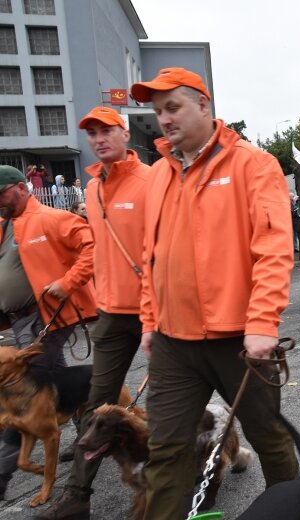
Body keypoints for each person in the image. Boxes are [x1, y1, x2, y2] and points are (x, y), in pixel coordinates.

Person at [130, 67, 298, 518]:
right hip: (173, 343)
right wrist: (150, 321)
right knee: (165, 449)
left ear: (204, 105)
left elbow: (273, 250)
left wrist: (263, 324)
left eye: (173, 107)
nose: (164, 119)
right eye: (158, 111)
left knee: (268, 437)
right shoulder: (159, 176)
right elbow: (152, 256)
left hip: (239, 341)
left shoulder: (254, 165)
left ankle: (294, 508)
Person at [35, 106, 152, 519]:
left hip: (154, 310)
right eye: (92, 134)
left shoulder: (152, 182)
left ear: (125, 134)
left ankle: (179, 478)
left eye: (107, 131)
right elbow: (98, 250)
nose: (99, 139)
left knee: (174, 400)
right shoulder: (91, 189)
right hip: (111, 314)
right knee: (97, 405)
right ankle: (76, 497)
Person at [0, 165, 97, 500]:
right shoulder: (5, 225)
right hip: (17, 321)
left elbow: (91, 246)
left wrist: (68, 283)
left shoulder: (52, 217)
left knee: (25, 392)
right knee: (54, 383)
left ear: (20, 188)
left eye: (1, 193)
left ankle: (2, 473)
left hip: (47, 319)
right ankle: (88, 435)